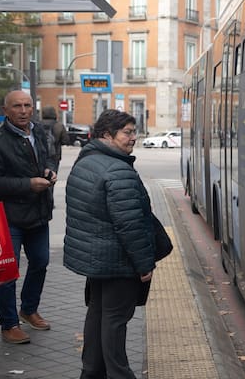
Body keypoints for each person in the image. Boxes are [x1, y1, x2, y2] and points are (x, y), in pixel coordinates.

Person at [63, 110, 159, 379]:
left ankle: (91, 372)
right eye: (127, 132)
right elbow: (130, 225)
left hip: (95, 259)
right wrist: (143, 265)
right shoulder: (118, 169)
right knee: (115, 323)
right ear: (107, 135)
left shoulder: (86, 161)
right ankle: (119, 374)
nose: (133, 138)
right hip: (118, 261)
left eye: (134, 131)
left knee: (97, 316)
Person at [0, 89, 58, 344]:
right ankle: (9, 324)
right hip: (9, 217)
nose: (23, 110)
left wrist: (50, 171)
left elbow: (51, 157)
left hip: (39, 213)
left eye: (27, 105)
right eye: (17, 106)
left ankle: (29, 309)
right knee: (7, 272)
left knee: (40, 262)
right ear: (5, 111)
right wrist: (27, 185)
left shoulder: (39, 132)